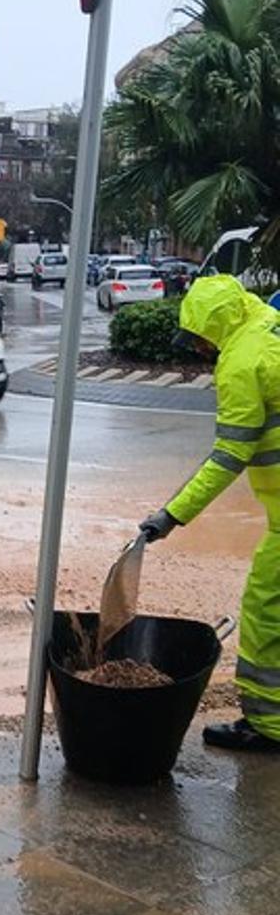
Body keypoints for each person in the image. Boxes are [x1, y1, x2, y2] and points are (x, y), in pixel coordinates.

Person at [140, 275, 280, 751]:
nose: (199, 349)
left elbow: (228, 457)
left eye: (200, 337)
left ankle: (269, 728)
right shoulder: (269, 324)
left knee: (266, 612)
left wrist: (170, 515)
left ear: (215, 327)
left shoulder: (242, 361)